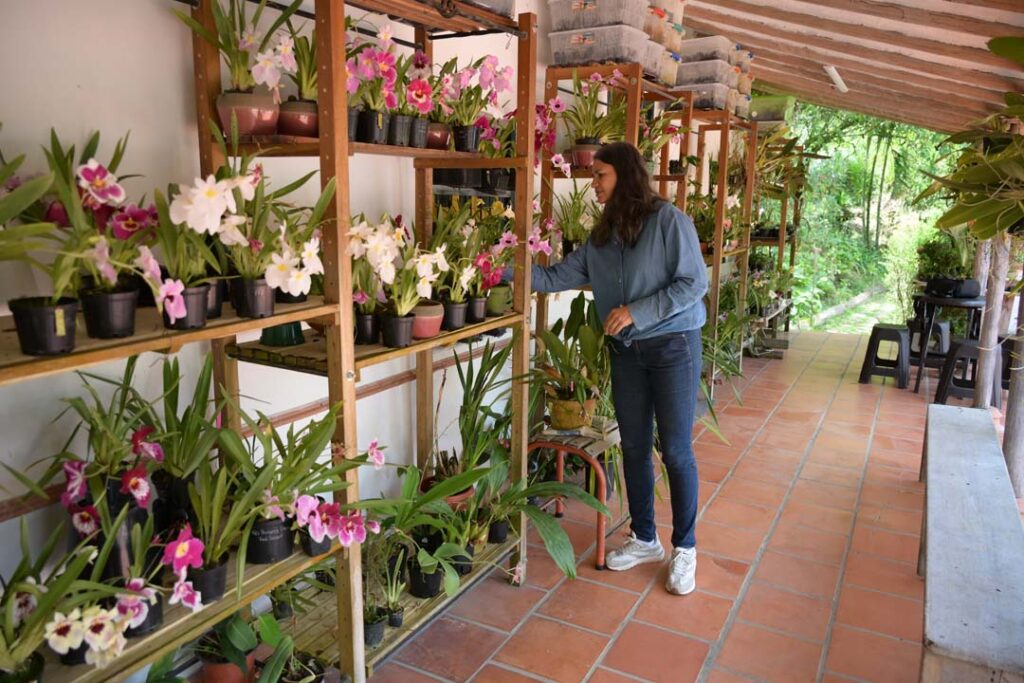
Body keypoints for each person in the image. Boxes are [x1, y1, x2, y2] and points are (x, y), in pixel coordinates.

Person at [531, 142, 708, 595]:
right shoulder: (601, 236)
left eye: (601, 175)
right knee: (631, 446)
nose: (594, 184)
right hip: (627, 352)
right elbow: (554, 278)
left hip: (673, 347)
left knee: (674, 449)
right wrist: (500, 269)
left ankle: (684, 548)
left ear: (626, 176)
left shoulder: (669, 221)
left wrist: (637, 311)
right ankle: (645, 538)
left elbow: (695, 283)